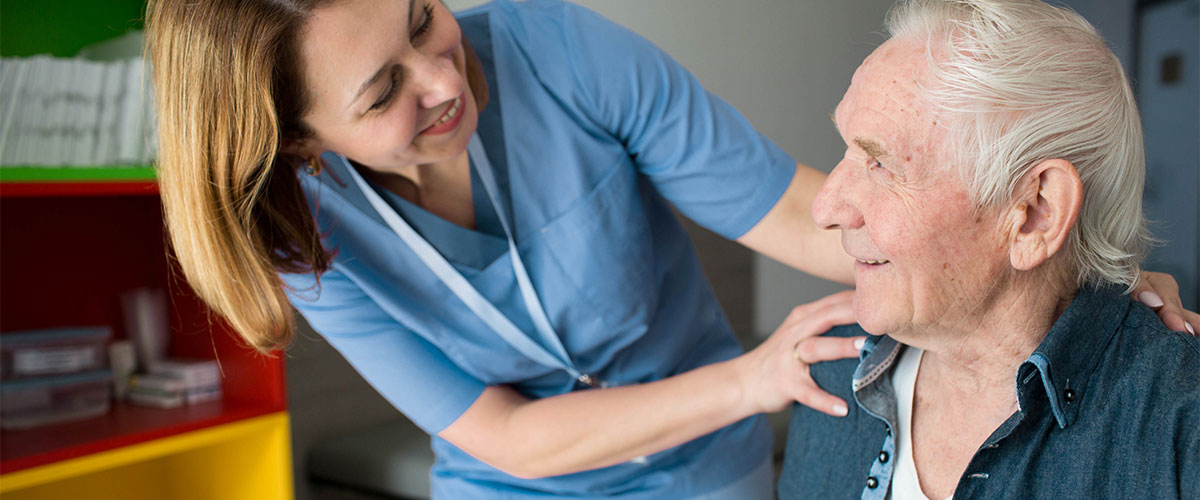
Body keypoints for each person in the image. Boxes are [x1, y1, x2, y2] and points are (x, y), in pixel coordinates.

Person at [143, 0, 1194, 498]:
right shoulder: (298, 237)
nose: (444, 78)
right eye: (383, 93)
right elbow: (508, 437)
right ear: (297, 143)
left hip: (707, 467)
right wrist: (749, 376)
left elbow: (802, 211)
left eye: (423, 18)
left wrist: (1064, 266)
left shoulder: (553, 49)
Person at [778, 1, 1200, 499]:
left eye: (881, 165)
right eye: (847, 149)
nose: (825, 207)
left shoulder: (1177, 427)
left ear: (1035, 212)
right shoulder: (831, 368)